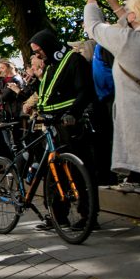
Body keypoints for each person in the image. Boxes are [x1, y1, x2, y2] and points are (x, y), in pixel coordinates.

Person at [85, 0, 140, 197]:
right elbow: (134, 25)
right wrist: (113, 2)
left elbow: (94, 27)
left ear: (135, 15)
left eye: (128, 9)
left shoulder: (130, 43)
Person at [29, 27, 98, 230]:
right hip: (53, 125)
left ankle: (88, 216)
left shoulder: (74, 61)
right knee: (53, 171)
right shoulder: (51, 65)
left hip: (71, 125)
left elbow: (85, 90)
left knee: (79, 170)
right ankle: (58, 216)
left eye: (38, 50)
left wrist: (73, 113)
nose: (37, 55)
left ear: (49, 46)